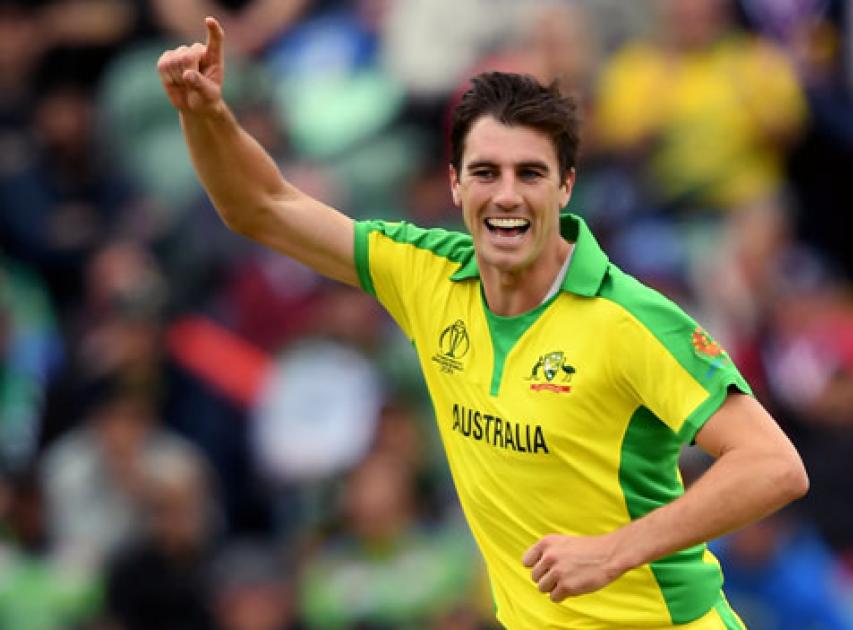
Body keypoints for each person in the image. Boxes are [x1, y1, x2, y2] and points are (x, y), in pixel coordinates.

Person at [156, 17, 808, 628]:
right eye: (486, 173)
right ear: (455, 184)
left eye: (531, 173)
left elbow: (773, 465)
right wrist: (205, 115)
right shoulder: (425, 273)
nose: (506, 195)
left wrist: (615, 551)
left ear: (565, 187)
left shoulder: (630, 320)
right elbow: (261, 206)